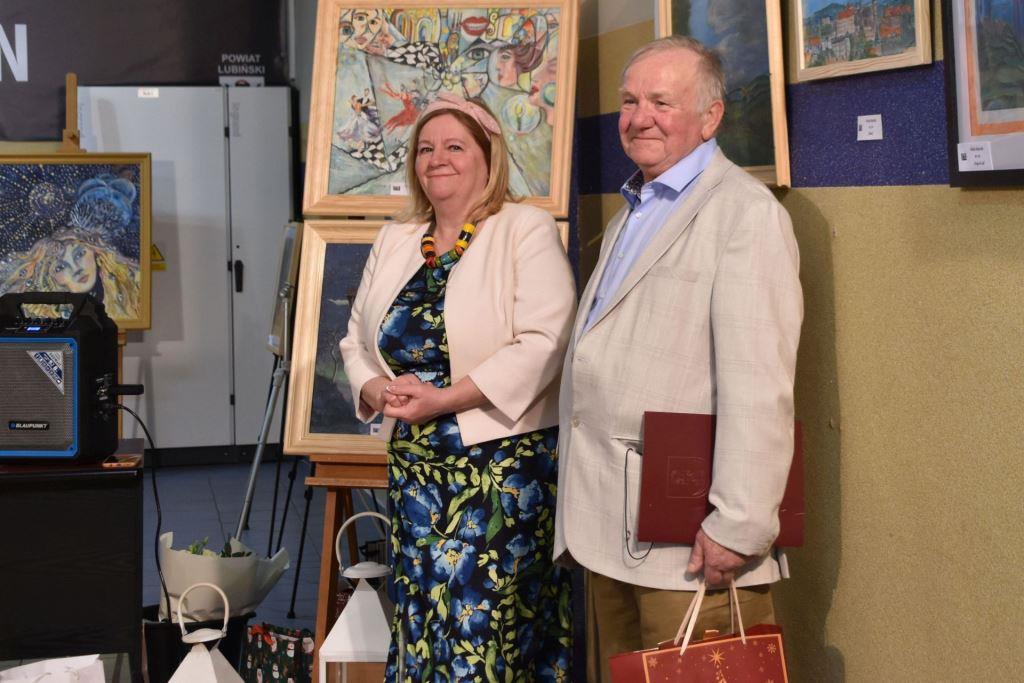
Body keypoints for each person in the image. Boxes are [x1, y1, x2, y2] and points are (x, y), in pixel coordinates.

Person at [552, 36, 803, 681]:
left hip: (693, 542)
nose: (640, 118)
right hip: (612, 530)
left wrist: (738, 526)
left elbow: (760, 387)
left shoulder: (745, 215)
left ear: (710, 116)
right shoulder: (633, 211)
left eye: (661, 102)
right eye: (629, 102)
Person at [340, 92, 575, 681]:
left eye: (453, 146)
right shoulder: (397, 238)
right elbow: (353, 340)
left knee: (485, 633)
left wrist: (446, 399)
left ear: (487, 158)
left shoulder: (524, 228)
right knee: (422, 622)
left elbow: (545, 340)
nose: (436, 159)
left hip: (500, 468)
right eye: (425, 149)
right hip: (416, 469)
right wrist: (377, 391)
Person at [0, 228, 141, 320]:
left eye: (79, 254)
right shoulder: (41, 316)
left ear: (96, 253)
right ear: (48, 279)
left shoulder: (134, 290)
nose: (76, 269)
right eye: (60, 267)